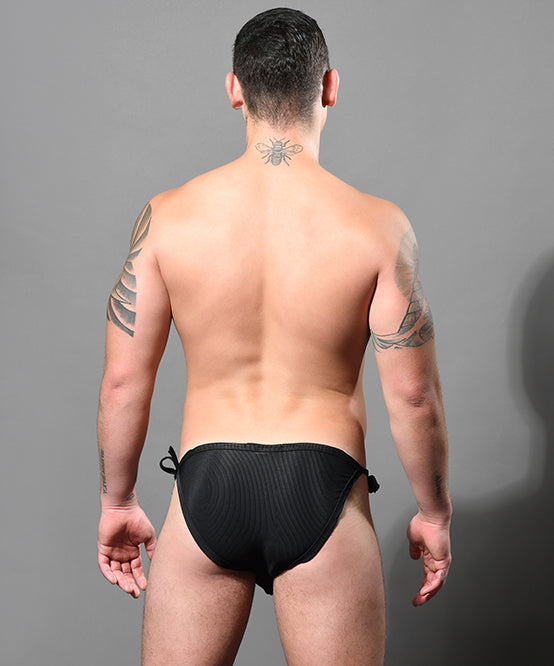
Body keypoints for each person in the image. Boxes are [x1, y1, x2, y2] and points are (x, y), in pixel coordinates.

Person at [97, 7, 452, 665]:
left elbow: (123, 382)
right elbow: (414, 398)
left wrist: (117, 500)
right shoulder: (378, 226)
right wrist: (433, 512)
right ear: (330, 87)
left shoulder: (168, 218)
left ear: (234, 89)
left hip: (208, 481)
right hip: (323, 485)